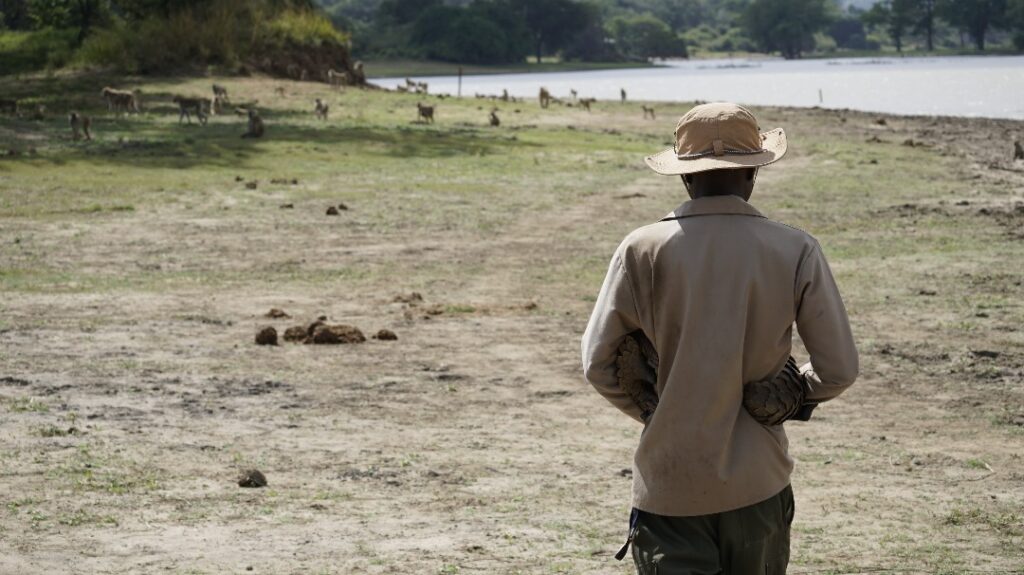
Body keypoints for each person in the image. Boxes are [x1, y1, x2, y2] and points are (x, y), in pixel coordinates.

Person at [581, 102, 859, 574]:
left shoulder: (641, 248)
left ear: (685, 178)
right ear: (753, 176)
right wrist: (794, 393)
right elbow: (839, 369)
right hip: (759, 485)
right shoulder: (795, 248)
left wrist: (655, 409)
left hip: (670, 487)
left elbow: (598, 364)